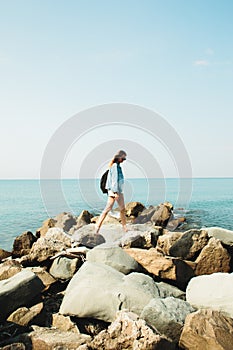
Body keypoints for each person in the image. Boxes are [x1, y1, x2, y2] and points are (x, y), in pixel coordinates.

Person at [95, 150, 128, 234]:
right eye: (123, 158)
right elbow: (114, 180)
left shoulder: (118, 166)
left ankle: (124, 228)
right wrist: (115, 192)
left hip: (118, 191)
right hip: (115, 191)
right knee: (108, 209)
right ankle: (97, 227)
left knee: (122, 209)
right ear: (119, 157)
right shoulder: (114, 166)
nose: (124, 160)